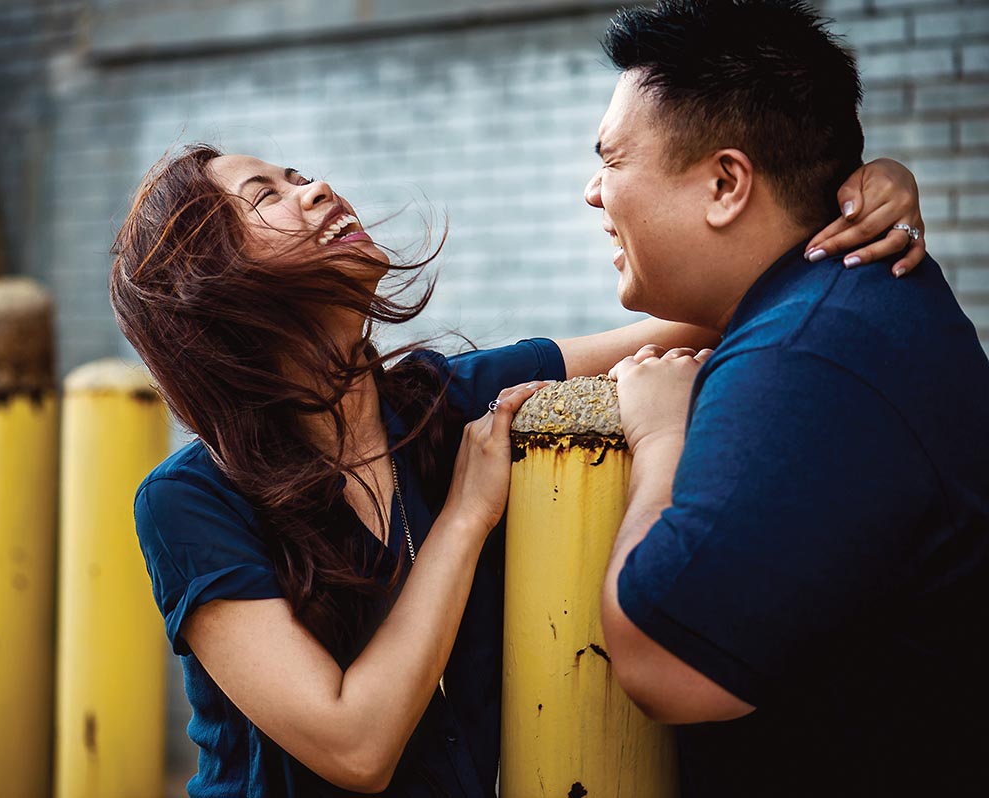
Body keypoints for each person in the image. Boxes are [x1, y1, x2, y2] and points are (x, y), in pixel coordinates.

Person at [109, 135, 923, 792]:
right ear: (207, 285)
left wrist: (851, 202)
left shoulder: (440, 399)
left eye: (300, 175)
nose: (317, 188)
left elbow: (703, 320)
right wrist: (468, 514)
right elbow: (354, 746)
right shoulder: (189, 503)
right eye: (267, 196)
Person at [589, 1, 989, 796]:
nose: (594, 194)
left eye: (611, 160)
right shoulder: (835, 305)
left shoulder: (804, 352)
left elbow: (662, 659)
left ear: (727, 183)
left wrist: (663, 432)